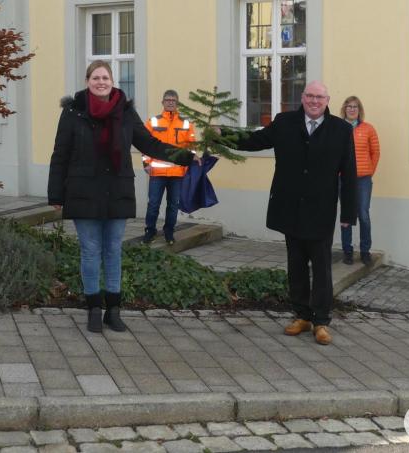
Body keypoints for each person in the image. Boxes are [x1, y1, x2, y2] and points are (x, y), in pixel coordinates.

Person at [48, 60, 194, 333]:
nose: (101, 82)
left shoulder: (126, 112)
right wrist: (55, 193)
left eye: (105, 77)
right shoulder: (73, 112)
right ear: (87, 81)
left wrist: (185, 156)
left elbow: (150, 143)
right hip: (83, 191)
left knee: (113, 251)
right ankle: (93, 308)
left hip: (117, 190)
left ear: (112, 81)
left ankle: (113, 310)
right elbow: (60, 154)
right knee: (90, 251)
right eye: (95, 77)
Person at [218, 81, 357, 345]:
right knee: (295, 265)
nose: (314, 101)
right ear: (302, 98)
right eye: (309, 96)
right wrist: (221, 133)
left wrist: (349, 213)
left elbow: (349, 172)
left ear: (327, 100)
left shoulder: (340, 129)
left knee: (322, 267)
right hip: (290, 208)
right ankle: (302, 316)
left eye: (319, 97)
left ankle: (321, 321)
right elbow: (254, 140)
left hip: (321, 210)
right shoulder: (284, 123)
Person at [141, 90, 195, 245]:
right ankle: (150, 231)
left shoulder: (186, 124)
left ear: (177, 103)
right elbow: (144, 144)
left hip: (177, 173)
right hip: (157, 172)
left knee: (173, 205)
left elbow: (191, 148)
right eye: (167, 100)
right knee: (153, 204)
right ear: (162, 102)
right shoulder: (153, 122)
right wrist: (146, 163)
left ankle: (169, 232)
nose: (170, 102)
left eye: (173, 100)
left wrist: (187, 166)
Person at [340, 96, 380, 266]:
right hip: (344, 179)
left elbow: (375, 152)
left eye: (355, 106)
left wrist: (370, 171)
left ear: (359, 110)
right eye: (349, 106)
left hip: (363, 179)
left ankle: (365, 251)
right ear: (344, 109)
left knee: (363, 215)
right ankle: (347, 252)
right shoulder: (338, 128)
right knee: (346, 216)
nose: (351, 109)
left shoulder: (368, 129)